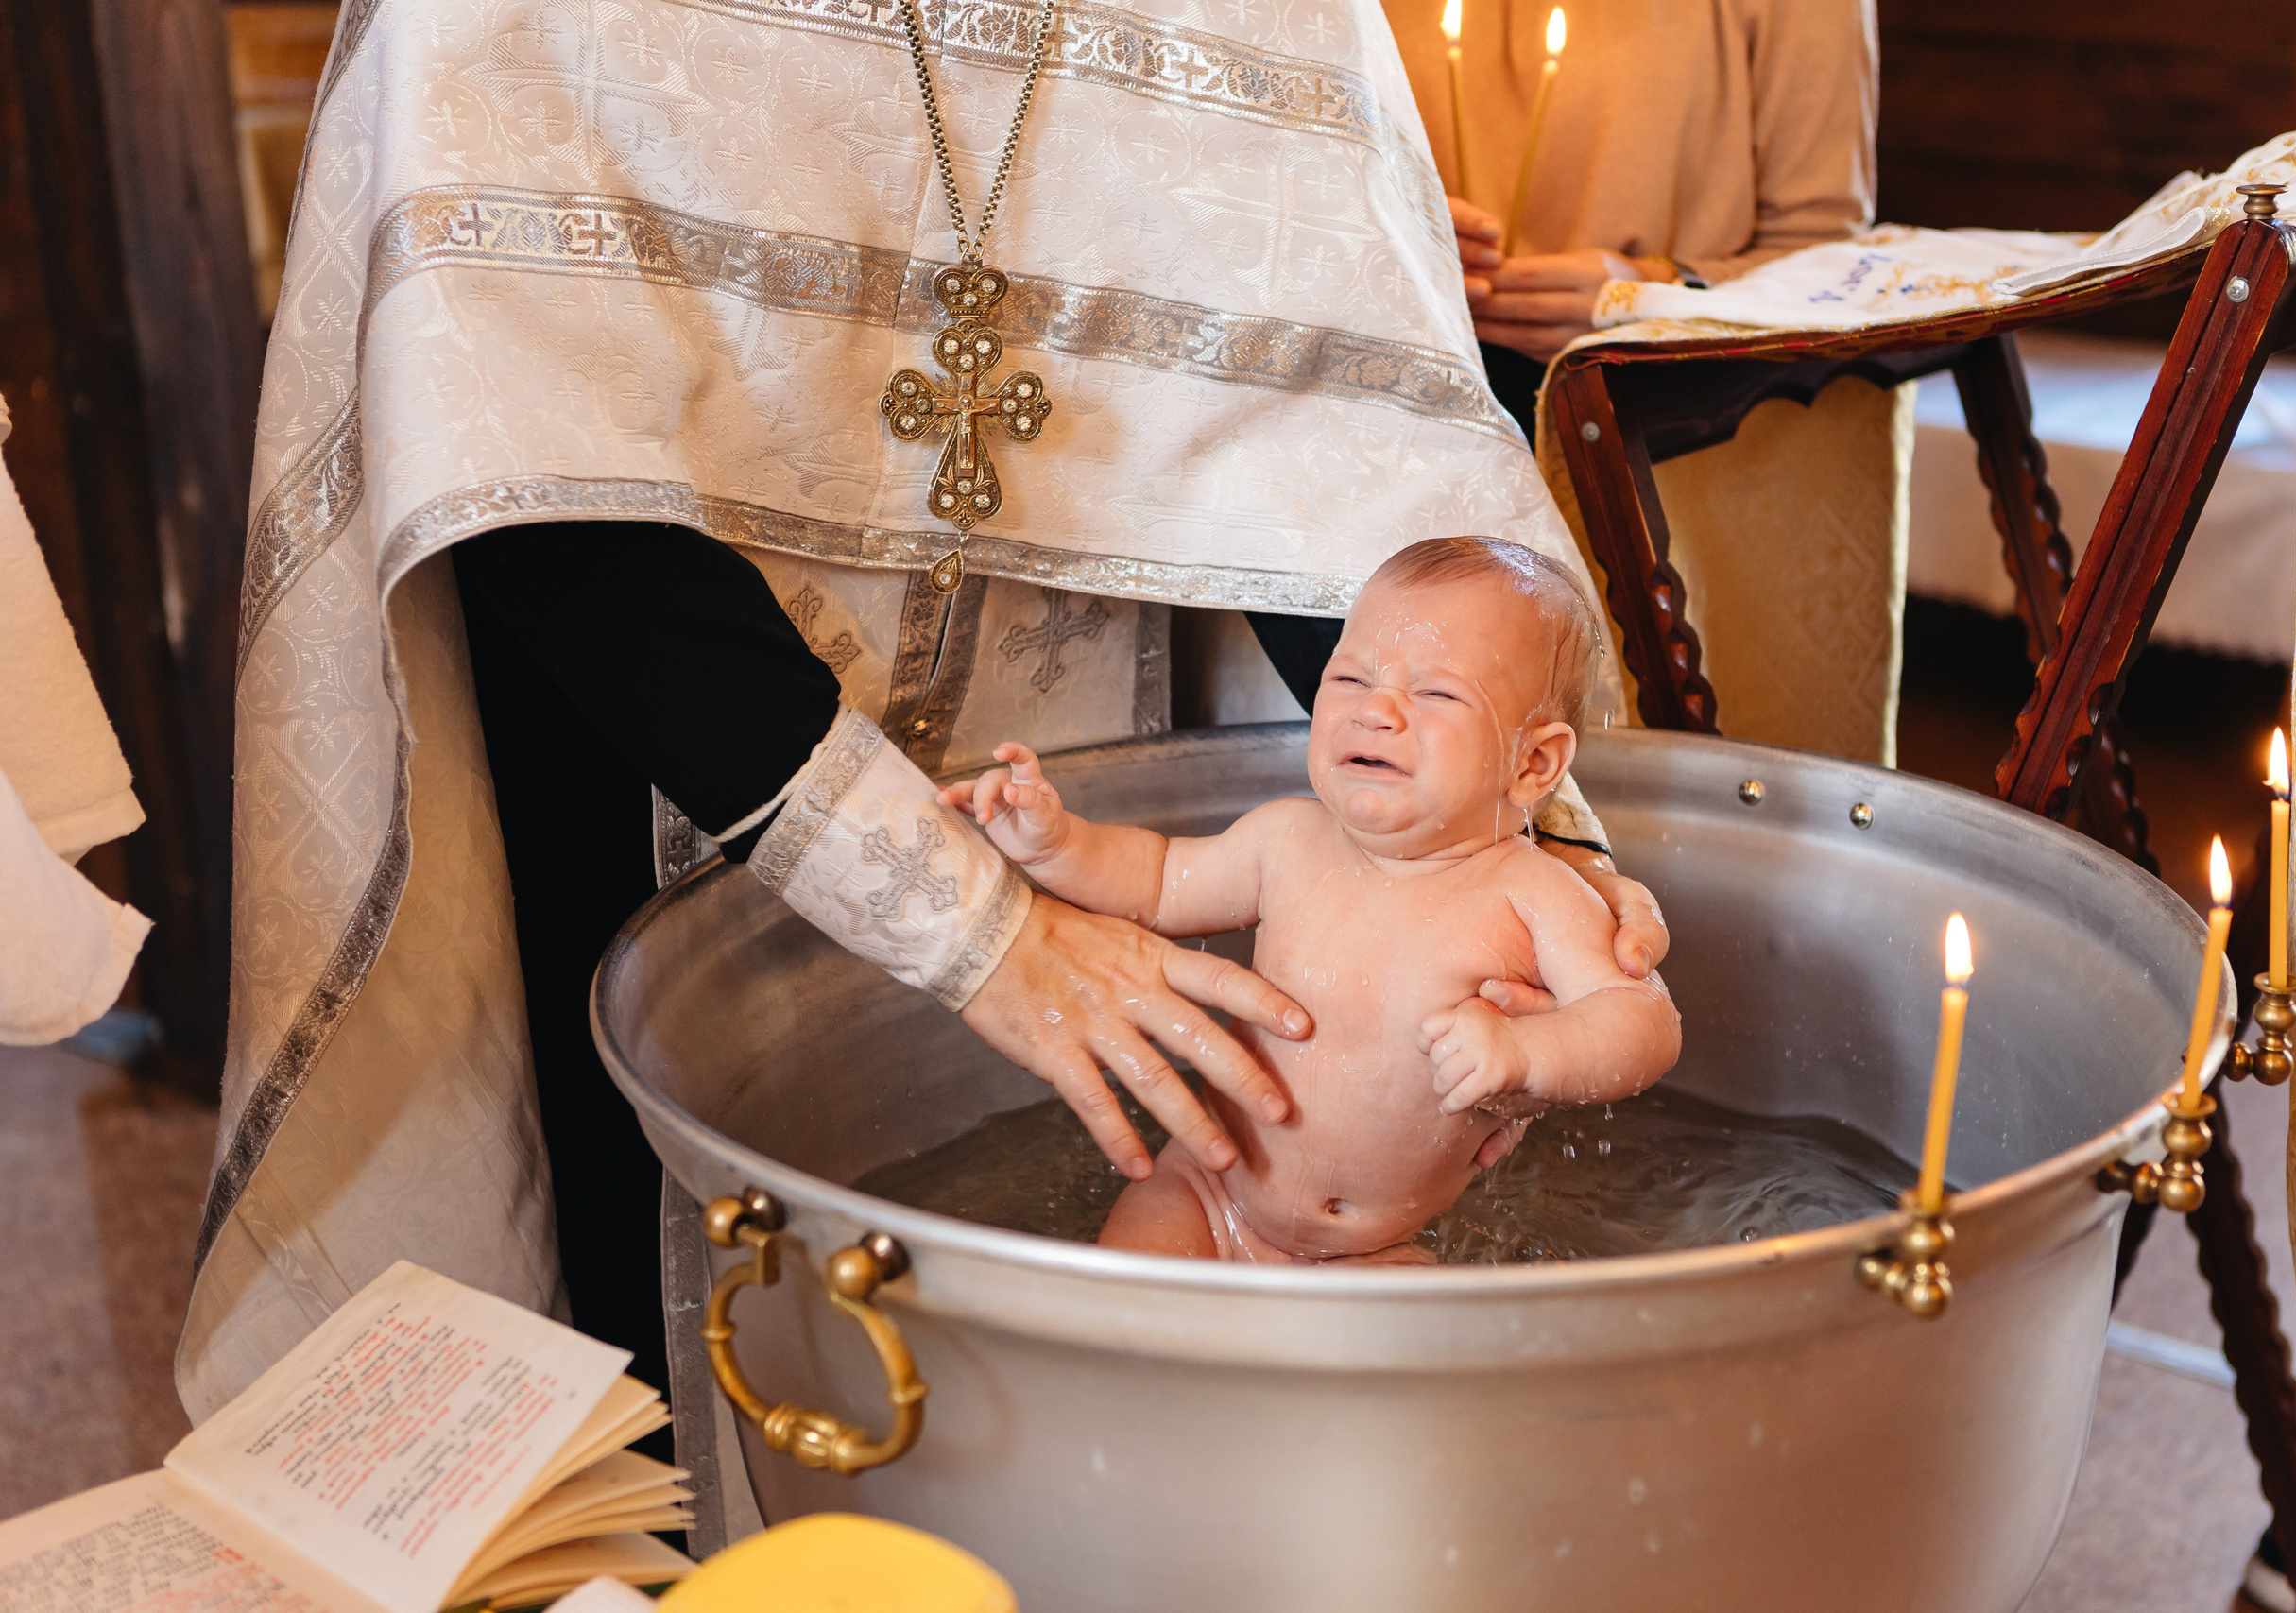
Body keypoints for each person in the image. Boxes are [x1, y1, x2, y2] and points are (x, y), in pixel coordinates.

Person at [180, 0, 1672, 1418]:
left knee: (1190, 1406)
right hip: (641, 747)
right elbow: (527, 455)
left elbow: (1338, 435)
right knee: (677, 1371)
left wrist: (1534, 854)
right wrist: (984, 925)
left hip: (1094, 685)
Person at [947, 539, 1681, 1262]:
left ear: (1534, 762)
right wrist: (1053, 844)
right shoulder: (1288, 840)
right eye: (1351, 679)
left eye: (1435, 692)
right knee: (1121, 1316)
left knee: (1420, 1359)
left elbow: (1642, 1021)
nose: (1376, 711)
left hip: (1374, 1251)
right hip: (1205, 1193)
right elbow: (1156, 879)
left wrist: (1530, 1052)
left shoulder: (1535, 893)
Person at [1383, 0, 1879, 438]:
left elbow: (1823, 246)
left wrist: (1653, 289)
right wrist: (1375, 215)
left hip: (1658, 420)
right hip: (1401, 405)